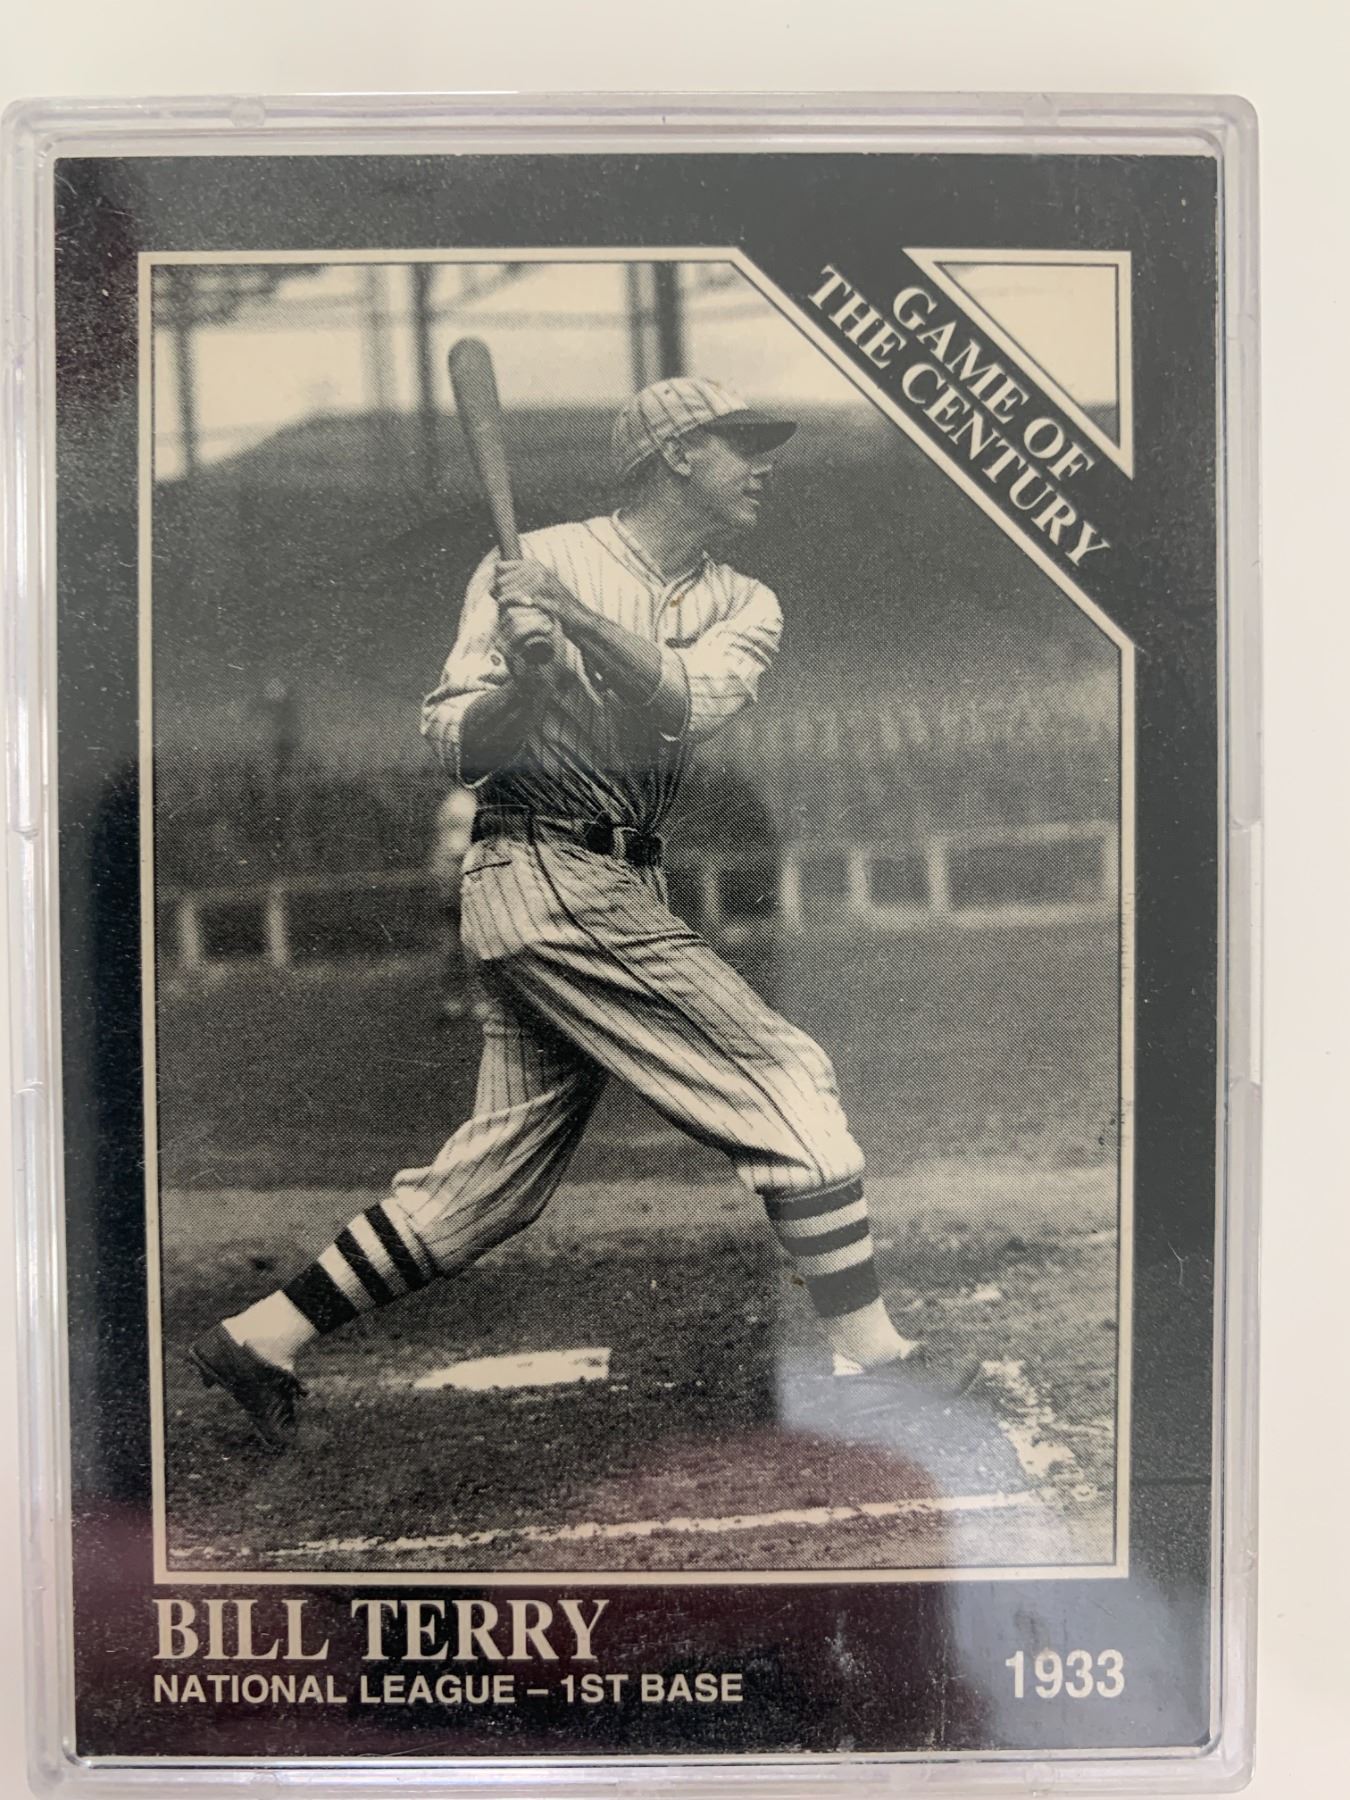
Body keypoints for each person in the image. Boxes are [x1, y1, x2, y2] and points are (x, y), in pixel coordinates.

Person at [189, 375, 975, 1449]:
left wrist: (572, 625)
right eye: (742, 444)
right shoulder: (533, 559)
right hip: (545, 868)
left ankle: (260, 1337)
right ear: (676, 455)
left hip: (614, 880)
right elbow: (457, 743)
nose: (764, 465)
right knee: (788, 1079)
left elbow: (686, 702)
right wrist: (521, 690)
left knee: (494, 1181)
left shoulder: (744, 602)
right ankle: (872, 1357)